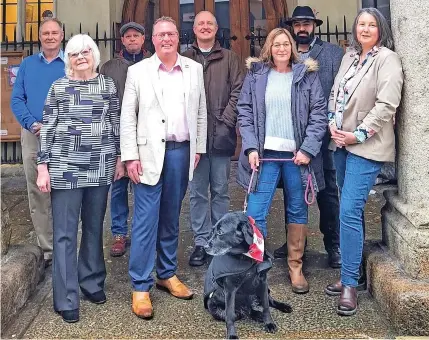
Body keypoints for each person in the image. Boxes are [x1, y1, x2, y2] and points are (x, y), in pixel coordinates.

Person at [120, 16, 207, 319]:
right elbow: (127, 117)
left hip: (181, 152)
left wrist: (198, 149)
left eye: (171, 34)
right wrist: (130, 156)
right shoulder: (138, 71)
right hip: (147, 154)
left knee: (171, 215)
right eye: (161, 35)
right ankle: (141, 285)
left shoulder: (194, 70)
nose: (167, 39)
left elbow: (200, 113)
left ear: (177, 38)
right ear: (152, 40)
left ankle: (166, 273)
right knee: (145, 219)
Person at [36, 34, 121, 323]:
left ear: (94, 56)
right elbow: (47, 127)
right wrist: (42, 166)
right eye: (74, 54)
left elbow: (115, 122)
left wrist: (120, 157)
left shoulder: (107, 85)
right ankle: (66, 297)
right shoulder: (59, 88)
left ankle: (92, 282)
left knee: (95, 228)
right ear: (68, 60)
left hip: (100, 167)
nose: (81, 57)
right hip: (64, 169)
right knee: (65, 234)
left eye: (86, 52)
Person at [324, 8, 403, 316]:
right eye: (361, 24)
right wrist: (332, 122)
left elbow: (386, 105)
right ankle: (351, 271)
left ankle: (349, 286)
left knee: (349, 210)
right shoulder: (349, 56)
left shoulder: (387, 59)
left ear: (380, 29)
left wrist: (355, 135)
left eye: (371, 24)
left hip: (365, 146)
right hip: (340, 142)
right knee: (349, 210)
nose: (366, 29)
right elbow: (336, 94)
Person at [237, 28, 327, 294]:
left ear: (292, 47)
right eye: (276, 44)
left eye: (285, 44)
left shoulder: (307, 76)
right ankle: (258, 267)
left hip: (296, 158)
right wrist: (250, 147)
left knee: (298, 210)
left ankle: (295, 266)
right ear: (269, 48)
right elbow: (245, 112)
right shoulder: (256, 76)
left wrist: (309, 149)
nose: (281, 48)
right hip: (264, 157)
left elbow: (319, 114)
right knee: (255, 212)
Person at [273, 6, 344, 269]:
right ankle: (295, 243)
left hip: (323, 137)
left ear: (315, 25)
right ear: (292, 26)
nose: (302, 29)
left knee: (327, 194)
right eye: (298, 24)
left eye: (307, 24)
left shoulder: (333, 54)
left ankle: (333, 245)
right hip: (290, 139)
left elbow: (341, 93)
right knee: (293, 192)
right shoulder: (283, 55)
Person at [182, 11, 244, 267]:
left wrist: (224, 121)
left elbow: (239, 90)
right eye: (200, 23)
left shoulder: (230, 58)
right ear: (194, 29)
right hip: (193, 138)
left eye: (209, 23)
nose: (205, 27)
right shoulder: (185, 59)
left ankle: (220, 241)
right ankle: (201, 241)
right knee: (197, 193)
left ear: (217, 28)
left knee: (220, 190)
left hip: (220, 136)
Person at [11, 18, 65, 267]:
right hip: (34, 134)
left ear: (62, 35)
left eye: (55, 32)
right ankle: (48, 250)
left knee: (66, 192)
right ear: (39, 37)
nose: (50, 36)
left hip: (65, 136)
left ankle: (67, 247)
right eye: (46, 33)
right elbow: (17, 100)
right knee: (38, 192)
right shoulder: (27, 65)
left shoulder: (71, 64)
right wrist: (33, 124)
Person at [100, 21, 151, 257]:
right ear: (123, 40)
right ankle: (119, 232)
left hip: (149, 135)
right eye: (128, 36)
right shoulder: (109, 68)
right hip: (118, 134)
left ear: (143, 39)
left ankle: (144, 230)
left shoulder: (154, 63)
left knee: (145, 186)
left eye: (136, 35)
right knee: (119, 187)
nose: (132, 39)